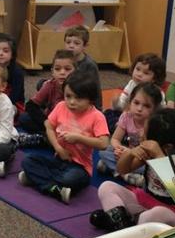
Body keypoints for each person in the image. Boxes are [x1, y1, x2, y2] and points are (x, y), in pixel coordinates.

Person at [19, 72, 109, 204]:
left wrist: (78, 138)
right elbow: (49, 126)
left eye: (78, 98)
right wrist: (58, 148)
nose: (72, 102)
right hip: (58, 159)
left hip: (80, 166)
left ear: (90, 99)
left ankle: (36, 179)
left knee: (70, 179)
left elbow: (104, 143)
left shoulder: (97, 116)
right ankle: (53, 188)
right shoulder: (61, 106)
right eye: (68, 96)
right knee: (27, 160)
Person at [91, 108, 175, 231]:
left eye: (145, 135)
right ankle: (120, 223)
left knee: (150, 216)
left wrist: (159, 156)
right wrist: (130, 154)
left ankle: (118, 220)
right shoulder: (148, 152)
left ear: (167, 147)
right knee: (106, 187)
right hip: (145, 200)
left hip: (169, 211)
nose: (141, 134)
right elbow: (122, 169)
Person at [97, 82, 163, 185]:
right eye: (136, 103)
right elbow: (115, 139)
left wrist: (129, 154)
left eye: (146, 106)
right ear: (130, 102)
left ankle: (114, 169)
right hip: (126, 152)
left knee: (148, 167)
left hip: (141, 159)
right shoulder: (126, 116)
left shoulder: (152, 124)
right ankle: (125, 175)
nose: (139, 109)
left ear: (154, 109)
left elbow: (149, 152)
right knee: (103, 150)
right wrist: (119, 149)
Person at [17, 50, 76, 147]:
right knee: (24, 118)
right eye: (58, 69)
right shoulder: (50, 85)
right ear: (52, 71)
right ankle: (45, 137)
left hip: (71, 126)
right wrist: (45, 121)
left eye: (67, 69)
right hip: (50, 123)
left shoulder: (79, 88)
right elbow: (30, 105)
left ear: (76, 71)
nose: (62, 72)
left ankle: (42, 138)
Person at [104, 52, 166, 132]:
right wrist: (116, 103)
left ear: (155, 78)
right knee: (108, 113)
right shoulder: (131, 84)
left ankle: (126, 131)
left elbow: (161, 112)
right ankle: (122, 128)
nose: (139, 74)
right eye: (137, 69)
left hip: (145, 121)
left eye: (146, 73)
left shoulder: (157, 92)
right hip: (130, 116)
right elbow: (122, 104)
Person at [63, 25, 102, 109]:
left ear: (85, 46)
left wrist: (98, 109)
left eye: (76, 43)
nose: (71, 46)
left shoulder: (90, 65)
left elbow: (96, 89)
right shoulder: (63, 59)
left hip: (79, 98)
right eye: (68, 42)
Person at [0, 32, 25, 110]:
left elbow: (14, 97)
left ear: (12, 54)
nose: (0, 53)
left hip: (12, 103)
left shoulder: (17, 73)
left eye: (5, 51)